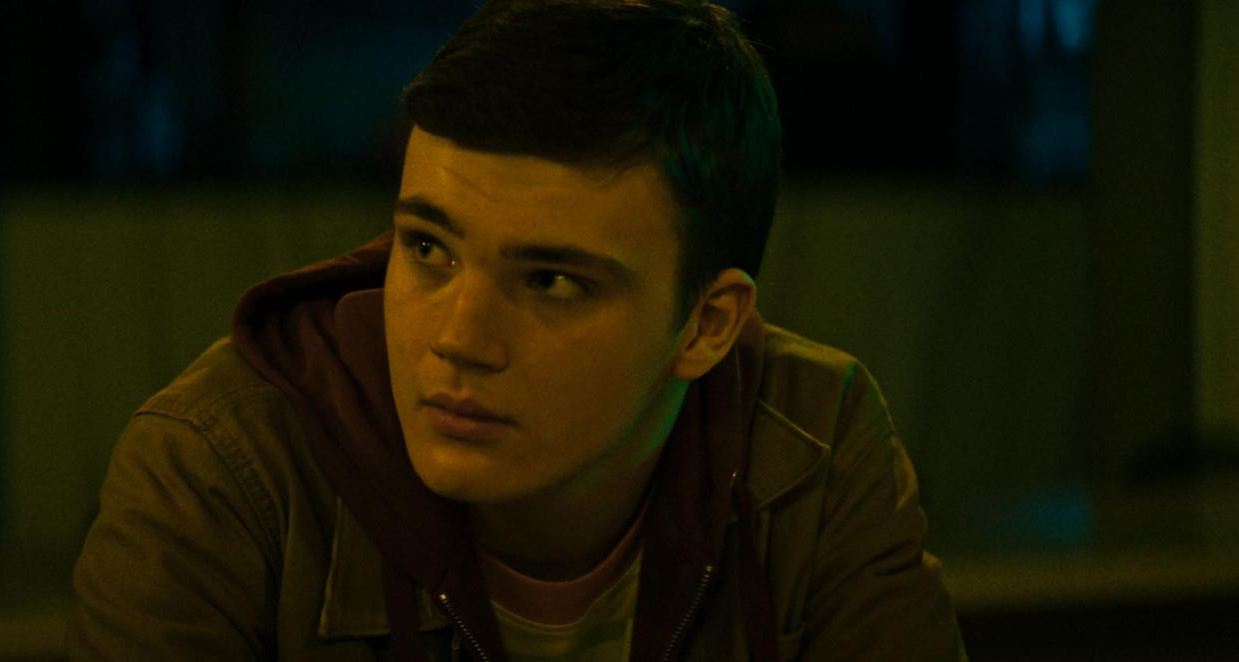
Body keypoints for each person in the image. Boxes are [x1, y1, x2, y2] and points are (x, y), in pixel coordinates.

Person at [67, 1, 967, 660]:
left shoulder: (812, 443)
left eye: (551, 280)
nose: (458, 338)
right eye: (428, 248)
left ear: (707, 324)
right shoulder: (220, 467)